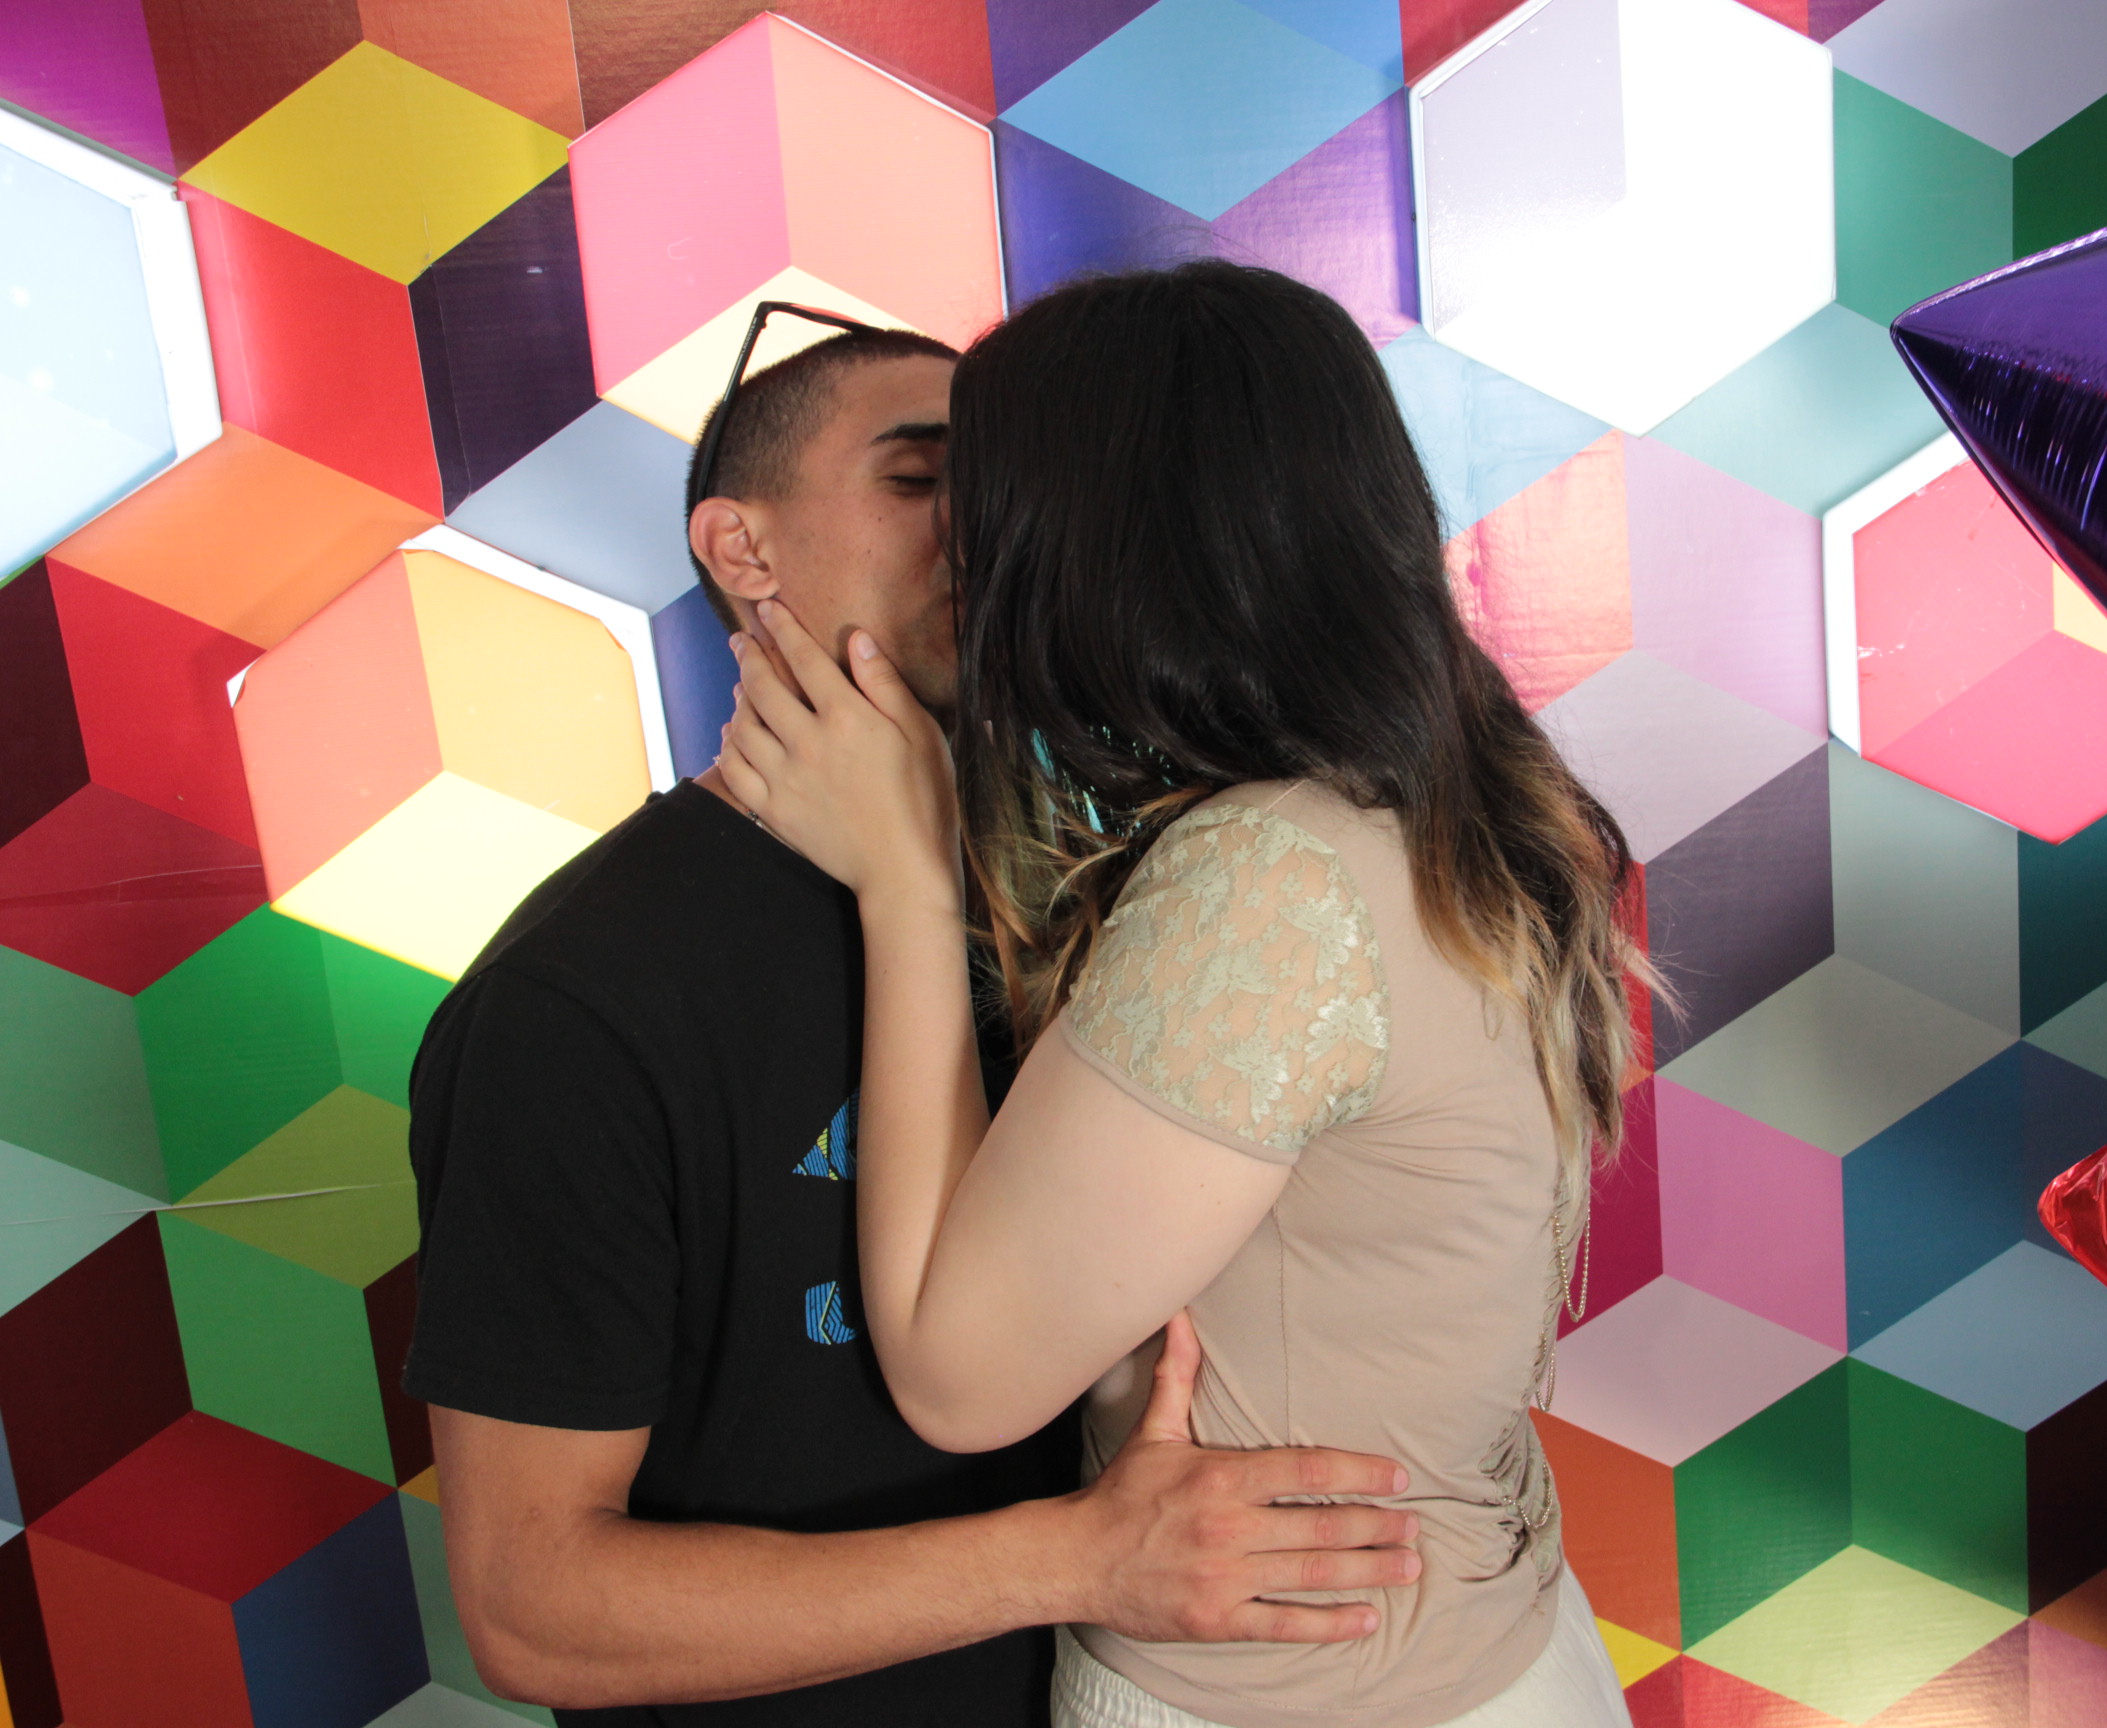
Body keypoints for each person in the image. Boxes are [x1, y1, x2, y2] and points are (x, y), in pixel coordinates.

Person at [403, 319, 1424, 1728]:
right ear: (741, 547)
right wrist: (1079, 1561)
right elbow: (533, 1609)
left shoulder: (1127, 894)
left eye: (1005, 489)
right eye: (918, 480)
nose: (984, 531)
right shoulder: (575, 1007)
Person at [718, 263, 1649, 1728]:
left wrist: (905, 881)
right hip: (1487, 1649)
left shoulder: (1278, 877)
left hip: (1298, 1700)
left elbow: (960, 1381)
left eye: (983, 504)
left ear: (1095, 540)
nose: (964, 554)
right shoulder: (1443, 789)